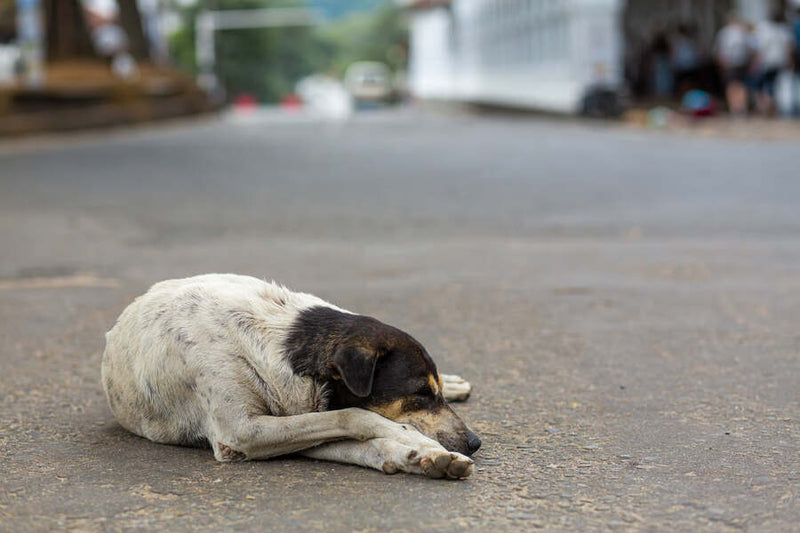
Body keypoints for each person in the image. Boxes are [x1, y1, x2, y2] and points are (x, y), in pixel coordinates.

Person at [751, 10, 794, 115]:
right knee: (772, 86)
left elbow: (761, 48)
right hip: (779, 62)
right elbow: (788, 47)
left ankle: (764, 108)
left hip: (766, 62)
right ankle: (770, 107)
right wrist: (789, 60)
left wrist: (755, 62)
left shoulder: (765, 29)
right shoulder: (784, 30)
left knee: (759, 86)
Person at [714, 12, 752, 115]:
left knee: (731, 86)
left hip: (730, 64)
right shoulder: (742, 32)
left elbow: (720, 50)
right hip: (742, 63)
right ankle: (742, 107)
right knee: (741, 85)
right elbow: (750, 49)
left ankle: (734, 107)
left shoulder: (724, 33)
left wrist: (722, 63)